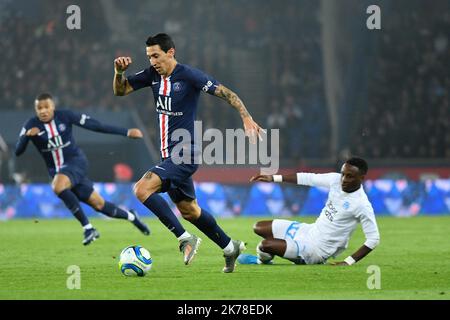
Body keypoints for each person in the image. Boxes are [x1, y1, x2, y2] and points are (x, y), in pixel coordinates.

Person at [113, 33, 264, 273]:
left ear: (170, 52)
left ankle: (185, 238)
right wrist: (119, 73)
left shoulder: (190, 76)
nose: (152, 61)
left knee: (142, 189)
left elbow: (229, 94)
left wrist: (246, 117)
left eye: (156, 56)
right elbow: (121, 91)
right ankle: (229, 247)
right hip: (168, 155)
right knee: (190, 211)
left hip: (186, 153)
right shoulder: (151, 75)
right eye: (149, 57)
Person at [15, 93, 150, 245]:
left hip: (75, 162)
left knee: (57, 186)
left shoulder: (65, 116)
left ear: (53, 106)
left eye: (46, 107)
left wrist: (125, 132)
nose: (43, 111)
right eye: (39, 108)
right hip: (59, 172)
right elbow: (18, 151)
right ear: (35, 109)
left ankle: (88, 228)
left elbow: (95, 125)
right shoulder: (31, 125)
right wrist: (26, 136)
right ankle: (132, 217)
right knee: (99, 205)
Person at [239, 157, 380, 266]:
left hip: (316, 250)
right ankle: (280, 250)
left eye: (350, 176)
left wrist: (348, 261)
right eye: (343, 174)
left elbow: (374, 239)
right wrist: (273, 178)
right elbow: (308, 178)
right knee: (258, 227)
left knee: (265, 245)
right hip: (308, 230)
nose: (343, 179)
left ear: (361, 178)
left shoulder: (362, 204)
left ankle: (261, 261)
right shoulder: (335, 180)